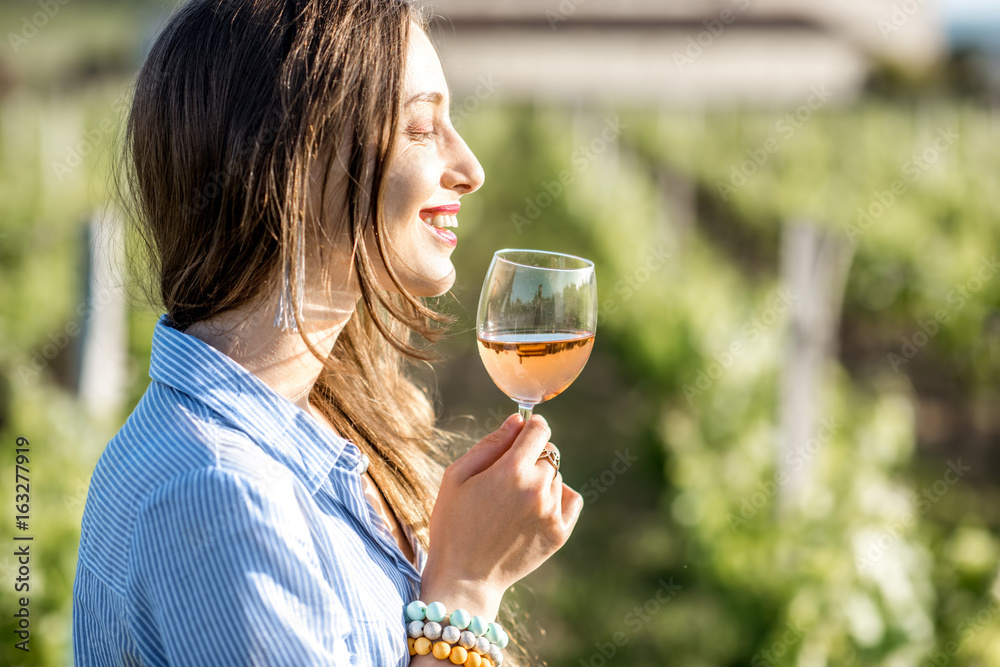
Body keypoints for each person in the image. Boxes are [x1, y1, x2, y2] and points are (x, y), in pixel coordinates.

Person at [71, 0, 584, 665]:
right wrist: (466, 589)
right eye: (423, 128)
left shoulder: (320, 418)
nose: (470, 167)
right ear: (297, 159)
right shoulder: (216, 495)